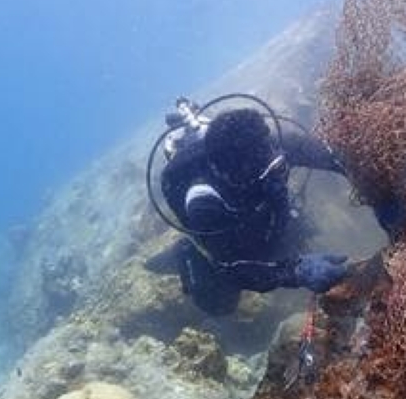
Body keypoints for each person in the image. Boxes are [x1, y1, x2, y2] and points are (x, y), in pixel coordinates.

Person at [147, 100, 349, 315]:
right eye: (263, 172)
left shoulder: (261, 145)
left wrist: (358, 169)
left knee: (294, 234)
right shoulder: (203, 203)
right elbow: (232, 269)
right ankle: (185, 253)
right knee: (220, 304)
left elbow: (330, 155)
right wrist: (296, 273)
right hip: (227, 231)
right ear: (233, 174)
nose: (275, 172)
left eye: (276, 165)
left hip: (252, 207)